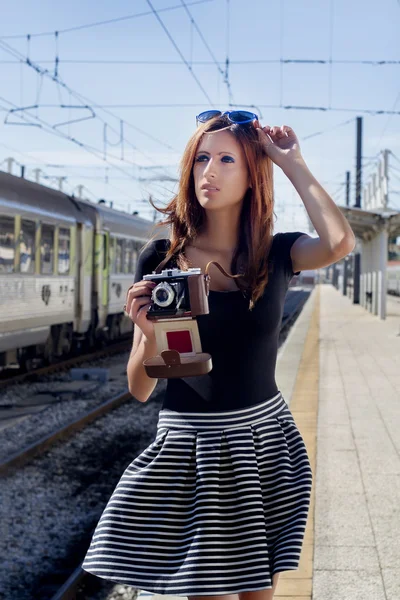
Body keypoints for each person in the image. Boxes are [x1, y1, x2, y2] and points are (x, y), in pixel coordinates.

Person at [82, 110, 355, 599]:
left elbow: (339, 242)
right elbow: (140, 389)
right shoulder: (162, 257)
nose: (209, 170)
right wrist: (147, 332)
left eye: (227, 159)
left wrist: (291, 163)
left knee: (258, 595)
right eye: (201, 157)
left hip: (263, 443)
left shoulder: (277, 253)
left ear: (252, 175)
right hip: (193, 450)